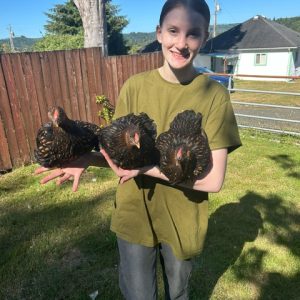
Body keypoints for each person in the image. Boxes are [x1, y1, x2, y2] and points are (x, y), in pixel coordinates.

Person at [35, 0, 241, 299]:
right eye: (173, 30)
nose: (181, 43)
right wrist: (88, 158)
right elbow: (124, 161)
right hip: (134, 214)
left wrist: (149, 169)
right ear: (159, 33)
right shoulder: (134, 86)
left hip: (182, 219)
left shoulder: (215, 97)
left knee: (178, 294)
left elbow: (213, 181)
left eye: (192, 34)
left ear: (204, 37)